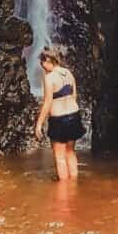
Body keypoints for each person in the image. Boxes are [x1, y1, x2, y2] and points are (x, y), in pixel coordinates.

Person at [35, 48, 85, 180]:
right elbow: (74, 95)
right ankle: (74, 186)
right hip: (74, 116)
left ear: (47, 60)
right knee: (70, 152)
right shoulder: (68, 73)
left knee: (60, 157)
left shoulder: (50, 78)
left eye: (42, 63)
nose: (42, 67)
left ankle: (63, 194)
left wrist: (39, 124)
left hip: (59, 120)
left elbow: (47, 102)